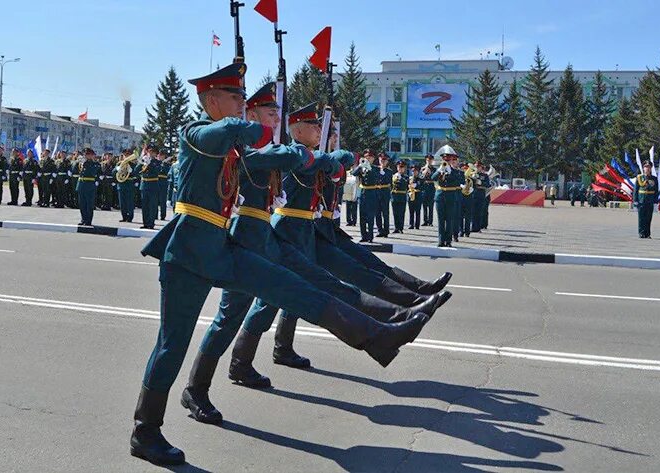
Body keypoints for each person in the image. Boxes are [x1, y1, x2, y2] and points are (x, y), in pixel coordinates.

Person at [129, 62, 438, 467]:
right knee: (172, 345)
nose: (241, 102)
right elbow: (236, 136)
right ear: (210, 100)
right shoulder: (195, 134)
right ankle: (145, 431)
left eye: (244, 97)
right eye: (235, 96)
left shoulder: (238, 148)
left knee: (295, 288)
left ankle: (379, 335)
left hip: (225, 248)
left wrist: (296, 149)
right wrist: (262, 133)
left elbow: (274, 154)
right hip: (187, 254)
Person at [180, 82, 450, 427]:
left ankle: (388, 323)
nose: (275, 117)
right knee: (231, 315)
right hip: (250, 237)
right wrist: (319, 156)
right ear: (252, 115)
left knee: (311, 289)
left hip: (270, 237)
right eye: (269, 112)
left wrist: (329, 157)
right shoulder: (248, 149)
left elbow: (317, 164)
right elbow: (286, 160)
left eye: (278, 112)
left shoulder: (266, 146)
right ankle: (199, 386)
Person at [432, 145, 463, 247]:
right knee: (441, 220)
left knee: (449, 220)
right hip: (440, 197)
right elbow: (433, 178)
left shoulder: (456, 172)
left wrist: (450, 171)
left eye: (448, 160)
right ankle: (441, 240)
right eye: (445, 160)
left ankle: (448, 241)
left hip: (451, 197)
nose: (446, 162)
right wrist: (439, 170)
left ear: (451, 161)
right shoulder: (440, 169)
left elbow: (459, 181)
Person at [352, 149, 380, 242]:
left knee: (370, 216)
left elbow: (376, 177)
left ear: (373, 158)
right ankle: (363, 236)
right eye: (366, 157)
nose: (368, 158)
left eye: (370, 157)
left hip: (372, 193)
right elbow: (354, 173)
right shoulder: (362, 167)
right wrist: (360, 166)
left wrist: (369, 168)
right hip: (363, 193)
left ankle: (370, 236)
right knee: (362, 216)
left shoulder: (376, 168)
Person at [632, 161, 658, 238]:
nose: (647, 169)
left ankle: (647, 233)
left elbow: (656, 190)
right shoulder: (639, 178)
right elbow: (636, 190)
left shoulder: (654, 178)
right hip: (641, 200)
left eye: (649, 167)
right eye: (646, 167)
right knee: (641, 217)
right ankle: (641, 232)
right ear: (643, 168)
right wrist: (635, 201)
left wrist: (656, 202)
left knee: (648, 217)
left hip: (650, 200)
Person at [75, 148, 101, 226]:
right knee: (82, 203)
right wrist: (78, 162)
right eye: (85, 155)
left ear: (92, 155)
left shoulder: (95, 164)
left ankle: (88, 221)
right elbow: (74, 170)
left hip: (89, 185)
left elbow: (92, 172)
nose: (85, 156)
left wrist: (85, 163)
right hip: (81, 184)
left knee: (89, 204)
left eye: (87, 155)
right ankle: (83, 219)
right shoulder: (81, 163)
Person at [139, 146, 161, 229]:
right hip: (144, 185)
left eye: (152, 152)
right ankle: (145, 223)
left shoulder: (157, 162)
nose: (150, 153)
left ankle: (151, 223)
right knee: (144, 206)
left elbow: (157, 171)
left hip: (153, 185)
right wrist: (141, 162)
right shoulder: (144, 161)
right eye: (149, 152)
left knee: (152, 206)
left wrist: (150, 164)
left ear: (155, 154)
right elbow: (136, 171)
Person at [117, 150, 138, 223]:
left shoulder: (133, 165)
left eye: (128, 155)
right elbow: (114, 173)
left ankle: (130, 217)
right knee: (122, 202)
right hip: (121, 184)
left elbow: (136, 173)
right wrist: (118, 169)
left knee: (129, 202)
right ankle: (124, 217)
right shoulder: (120, 163)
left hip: (129, 184)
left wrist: (131, 171)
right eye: (125, 155)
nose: (126, 157)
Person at [375, 152, 393, 237]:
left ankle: (386, 230)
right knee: (377, 212)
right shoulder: (375, 169)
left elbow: (389, 181)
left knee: (385, 213)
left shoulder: (389, 171)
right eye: (381, 160)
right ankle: (379, 230)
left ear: (387, 161)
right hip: (377, 192)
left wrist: (383, 171)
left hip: (385, 192)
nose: (382, 162)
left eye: (384, 160)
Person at [390, 160, 408, 233]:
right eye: (399, 167)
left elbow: (406, 185)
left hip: (402, 196)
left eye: (402, 167)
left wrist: (400, 177)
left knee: (401, 213)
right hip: (394, 196)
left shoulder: (406, 177)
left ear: (404, 168)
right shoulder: (393, 176)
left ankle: (400, 228)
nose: (400, 169)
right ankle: (396, 228)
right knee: (395, 213)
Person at [459, 163, 475, 238]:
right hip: (461, 198)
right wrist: (461, 186)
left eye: (467, 169)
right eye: (464, 169)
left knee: (468, 216)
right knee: (460, 216)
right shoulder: (459, 178)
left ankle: (467, 232)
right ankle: (461, 231)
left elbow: (475, 187)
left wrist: (471, 189)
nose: (466, 171)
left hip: (469, 199)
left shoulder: (472, 180)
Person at [420, 154, 436, 226]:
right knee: (424, 205)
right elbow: (420, 178)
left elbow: (435, 178)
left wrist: (430, 172)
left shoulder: (434, 169)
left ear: (432, 160)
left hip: (431, 187)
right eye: (427, 160)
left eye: (430, 160)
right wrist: (424, 172)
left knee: (431, 205)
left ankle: (430, 221)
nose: (428, 161)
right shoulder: (422, 168)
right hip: (424, 187)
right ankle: (425, 220)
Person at [157, 150, 172, 220]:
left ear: (164, 156)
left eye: (161, 156)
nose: (159, 157)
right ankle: (154, 215)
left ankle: (163, 215)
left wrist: (163, 164)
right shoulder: (156, 163)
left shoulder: (167, 164)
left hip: (163, 183)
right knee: (155, 200)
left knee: (162, 200)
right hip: (156, 182)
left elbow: (167, 172)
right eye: (159, 155)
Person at [408, 163, 423, 229]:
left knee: (417, 211)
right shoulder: (409, 178)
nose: (414, 172)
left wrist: (417, 185)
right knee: (411, 211)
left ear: (418, 171)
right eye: (413, 171)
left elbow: (423, 187)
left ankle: (417, 225)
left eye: (416, 171)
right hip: (411, 195)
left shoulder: (420, 179)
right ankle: (411, 224)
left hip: (418, 195)